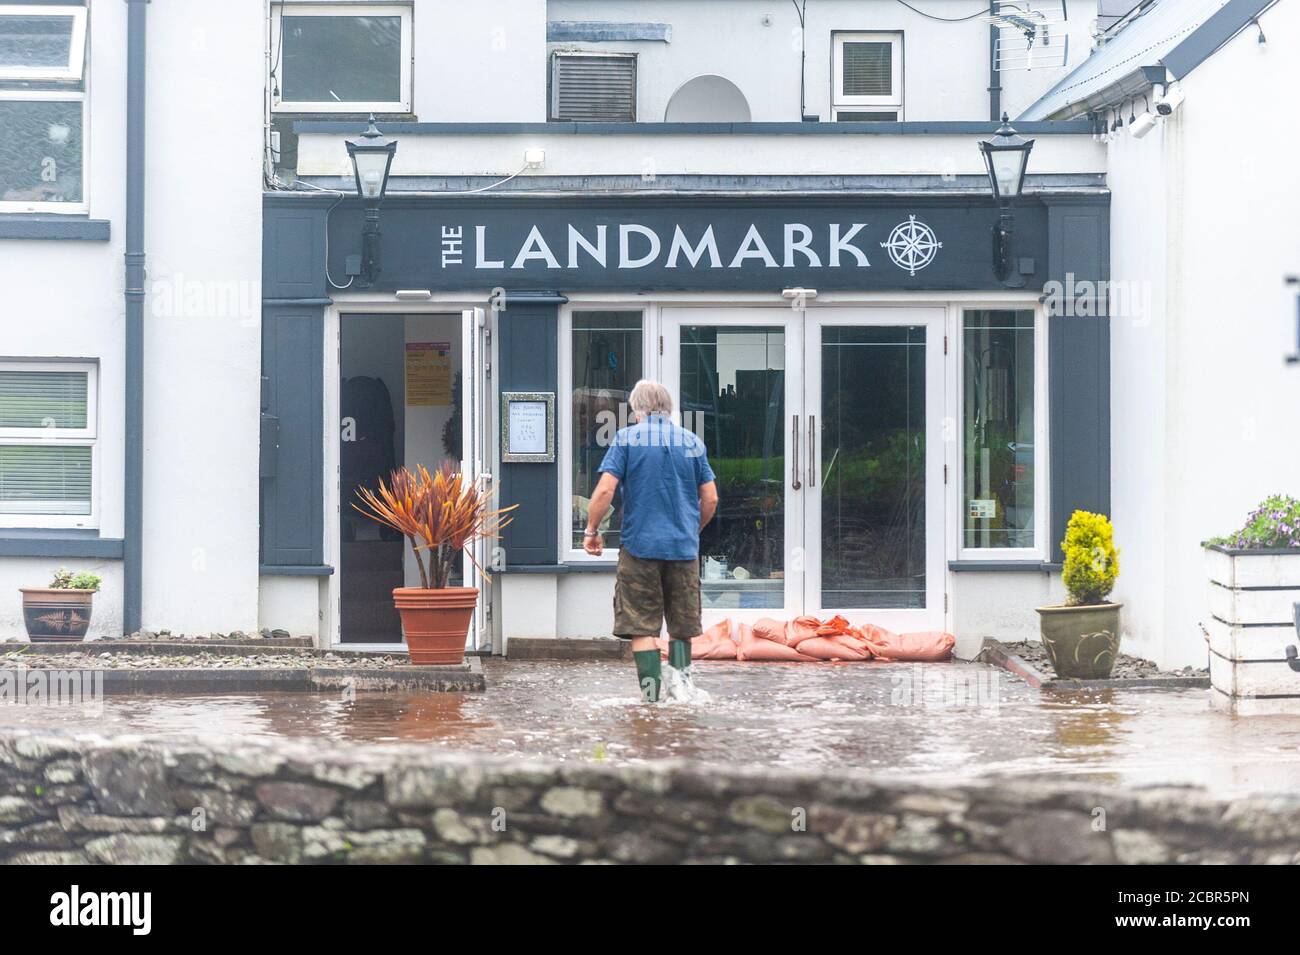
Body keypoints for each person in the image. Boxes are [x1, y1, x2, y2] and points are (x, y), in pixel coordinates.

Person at [582, 379, 719, 702]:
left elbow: (604, 490)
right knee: (681, 627)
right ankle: (683, 693)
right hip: (683, 549)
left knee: (642, 627)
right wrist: (692, 529)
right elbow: (710, 498)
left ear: (637, 411)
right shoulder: (691, 442)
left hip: (640, 548)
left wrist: (591, 531)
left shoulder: (627, 439)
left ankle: (651, 698)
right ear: (669, 409)